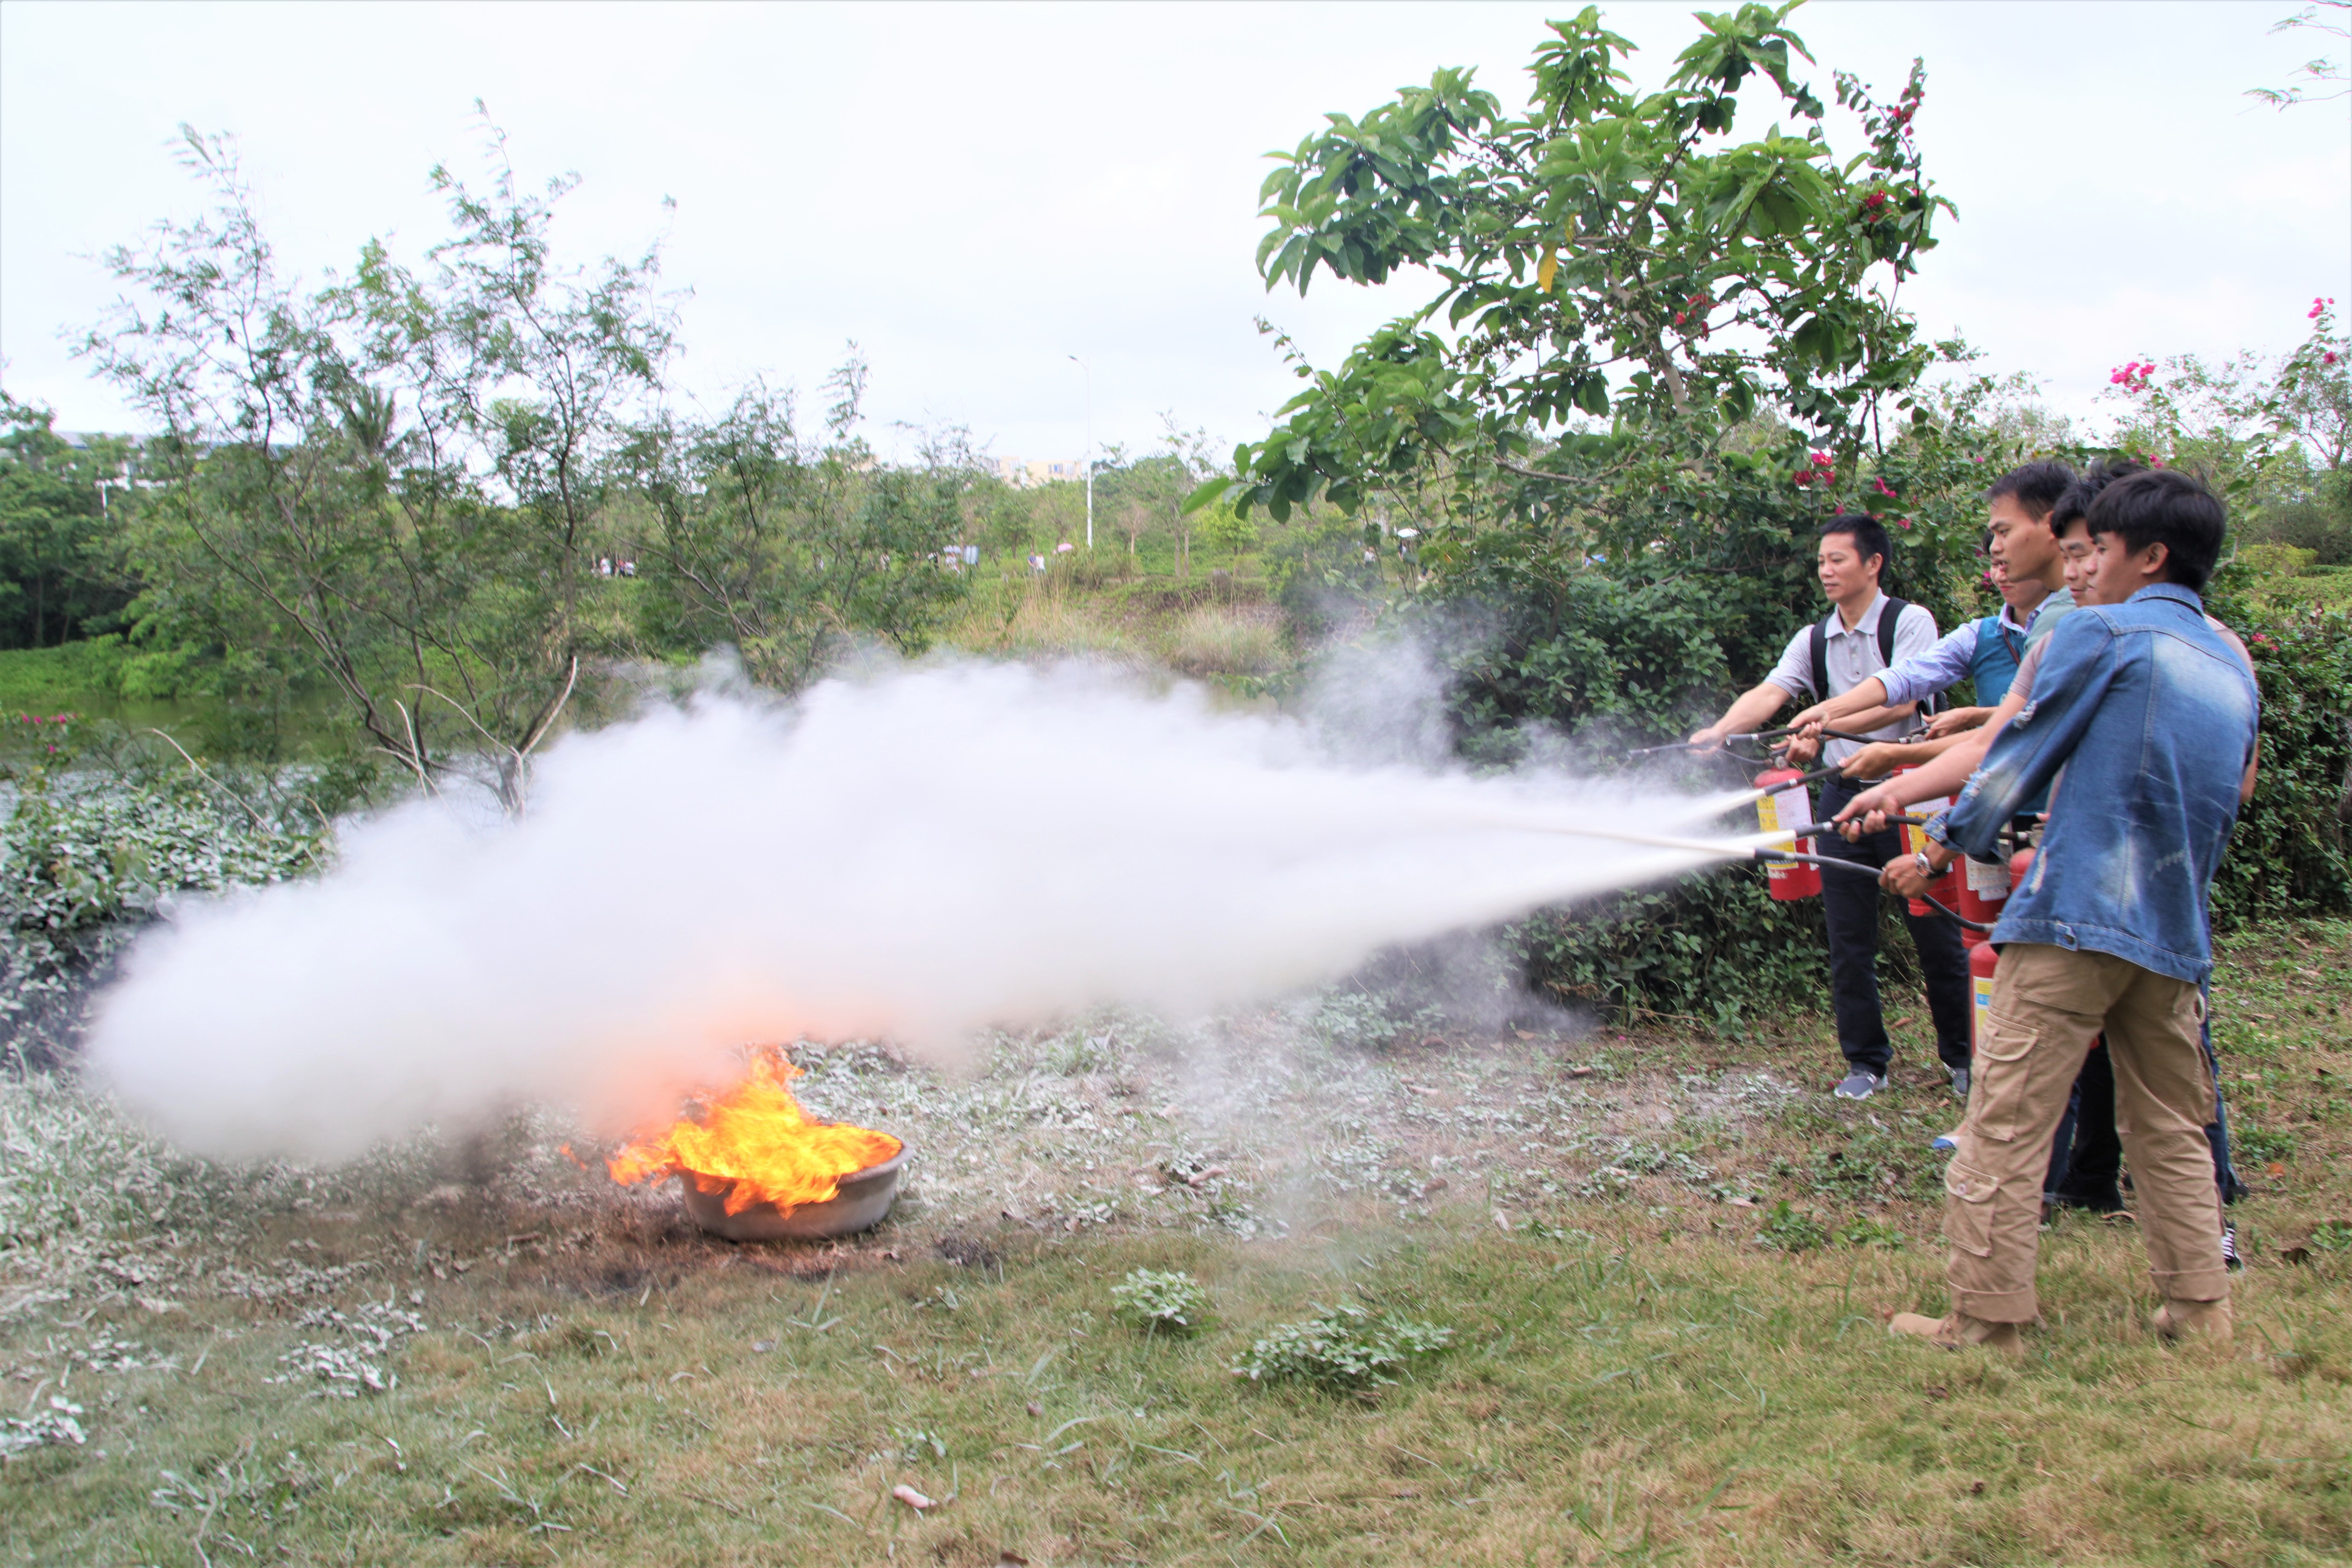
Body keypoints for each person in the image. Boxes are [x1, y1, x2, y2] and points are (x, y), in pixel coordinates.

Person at [1861, 468, 2258, 1359]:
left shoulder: (2101, 636)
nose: (2087, 568)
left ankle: (1988, 1318)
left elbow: (2016, 756)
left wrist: (1935, 851)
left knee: (2005, 1121)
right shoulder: (2231, 662)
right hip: (2172, 931)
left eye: (2102, 549)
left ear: (2150, 556)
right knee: (2170, 1125)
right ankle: (2200, 1308)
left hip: (2075, 917)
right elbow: (2229, 794)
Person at [1688, 514, 1967, 1101]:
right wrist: (1722, 727)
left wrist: (1824, 717)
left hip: (1914, 787)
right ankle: (1866, 1064)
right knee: (1847, 937)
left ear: (1873, 564)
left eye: (1838, 559)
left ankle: (1963, 1058)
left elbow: (1902, 699)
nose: (1826, 570)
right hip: (1842, 791)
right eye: (1821, 561)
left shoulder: (1910, 622)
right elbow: (1773, 691)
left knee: (1937, 931)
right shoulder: (1814, 639)